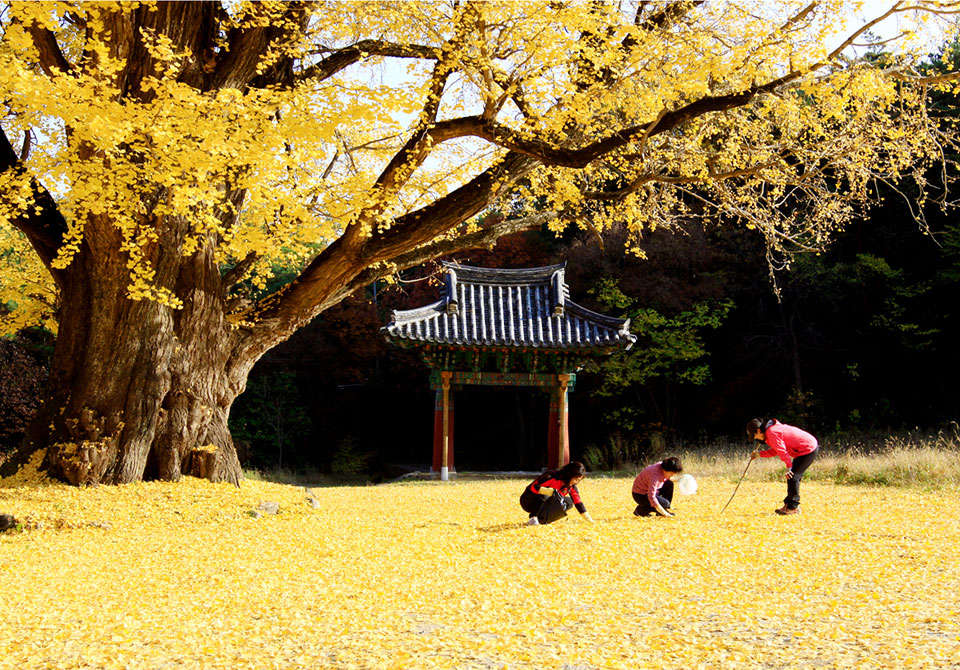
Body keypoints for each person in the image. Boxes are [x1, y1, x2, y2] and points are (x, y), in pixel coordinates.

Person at [747, 417, 819, 515]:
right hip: (804, 449)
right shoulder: (771, 432)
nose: (755, 438)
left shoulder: (772, 432)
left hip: (808, 448)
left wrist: (789, 466)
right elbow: (776, 450)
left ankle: (793, 507)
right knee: (792, 476)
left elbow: (781, 451)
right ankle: (789, 504)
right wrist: (759, 454)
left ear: (759, 431)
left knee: (793, 476)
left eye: (754, 436)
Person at [520, 461, 594, 526]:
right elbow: (533, 487)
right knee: (547, 495)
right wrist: (551, 492)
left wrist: (589, 520)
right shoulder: (552, 476)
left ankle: (544, 519)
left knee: (569, 502)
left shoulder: (571, 487)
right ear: (570, 475)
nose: (576, 482)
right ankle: (533, 518)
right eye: (576, 479)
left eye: (579, 480)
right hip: (528, 501)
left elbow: (578, 503)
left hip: (545, 503)